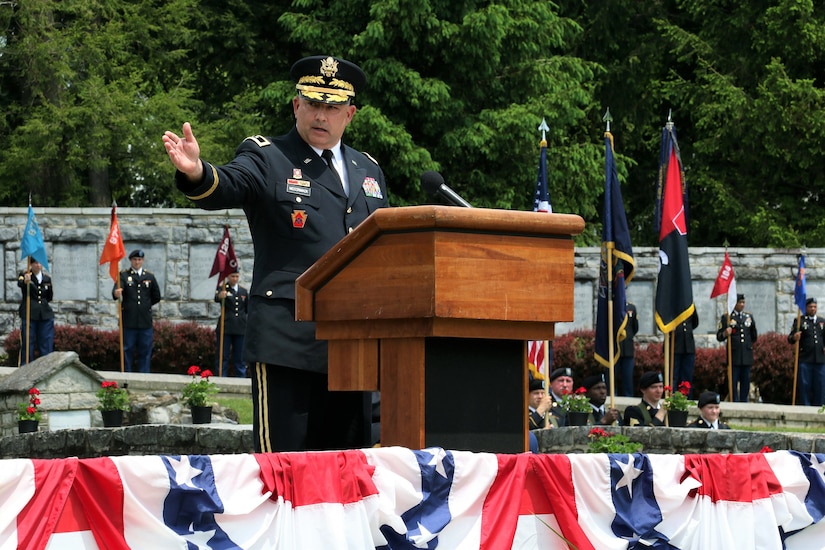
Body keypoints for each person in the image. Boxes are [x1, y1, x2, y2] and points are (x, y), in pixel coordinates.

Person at [163, 55, 389, 453]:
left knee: (348, 473)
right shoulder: (268, 156)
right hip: (288, 340)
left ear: (349, 114)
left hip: (352, 345)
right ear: (296, 105)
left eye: (332, 107)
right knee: (283, 471)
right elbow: (229, 184)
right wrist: (197, 172)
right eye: (313, 104)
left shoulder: (367, 169)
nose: (322, 115)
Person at [112, 249, 162, 373]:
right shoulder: (123, 275)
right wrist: (116, 293)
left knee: (145, 350)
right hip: (129, 320)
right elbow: (115, 292)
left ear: (143, 261)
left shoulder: (149, 276)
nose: (137, 262)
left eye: (139, 260)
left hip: (145, 321)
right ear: (130, 261)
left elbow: (156, 296)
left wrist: (145, 306)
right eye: (134, 259)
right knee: (127, 350)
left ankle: (144, 375)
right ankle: (127, 375)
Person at [716, 293, 758, 402]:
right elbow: (719, 336)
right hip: (734, 356)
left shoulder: (748, 317)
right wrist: (725, 333)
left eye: (743, 302)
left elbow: (753, 336)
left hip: (746, 355)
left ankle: (744, 401)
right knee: (733, 382)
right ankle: (734, 400)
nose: (742, 305)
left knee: (745, 381)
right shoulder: (727, 317)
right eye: (740, 302)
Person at [788, 297, 825, 406]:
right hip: (805, 359)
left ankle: (819, 409)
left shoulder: (821, 321)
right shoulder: (800, 321)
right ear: (806, 308)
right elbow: (790, 339)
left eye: (814, 307)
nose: (813, 309)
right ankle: (805, 407)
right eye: (810, 307)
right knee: (805, 385)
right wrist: (794, 337)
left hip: (820, 359)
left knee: (821, 385)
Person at [17, 258, 54, 364]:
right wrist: (25, 281)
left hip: (45, 315)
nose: (38, 265)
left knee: (46, 343)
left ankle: (45, 367)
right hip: (29, 314)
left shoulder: (47, 279)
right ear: (31, 264)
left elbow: (49, 297)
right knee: (28, 343)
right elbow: (20, 284)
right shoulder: (25, 275)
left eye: (39, 263)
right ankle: (26, 368)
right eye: (35, 263)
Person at [214, 268, 248, 377]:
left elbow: (247, 308)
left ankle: (240, 378)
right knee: (223, 356)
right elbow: (216, 298)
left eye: (237, 276)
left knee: (240, 357)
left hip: (240, 327)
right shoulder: (223, 288)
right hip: (226, 326)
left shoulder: (243, 291)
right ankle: (221, 377)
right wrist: (220, 296)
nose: (235, 278)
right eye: (233, 276)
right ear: (228, 277)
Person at [673, 310, 699, 398]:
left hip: (688, 346)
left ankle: (686, 398)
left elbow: (695, 322)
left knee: (687, 377)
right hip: (674, 345)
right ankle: (672, 398)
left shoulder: (690, 304)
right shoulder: (669, 302)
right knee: (674, 376)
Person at [618, 301, 638, 397]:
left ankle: (628, 396)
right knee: (612, 376)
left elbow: (635, 328)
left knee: (628, 376)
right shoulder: (611, 305)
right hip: (615, 347)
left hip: (628, 348)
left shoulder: (631, 307)